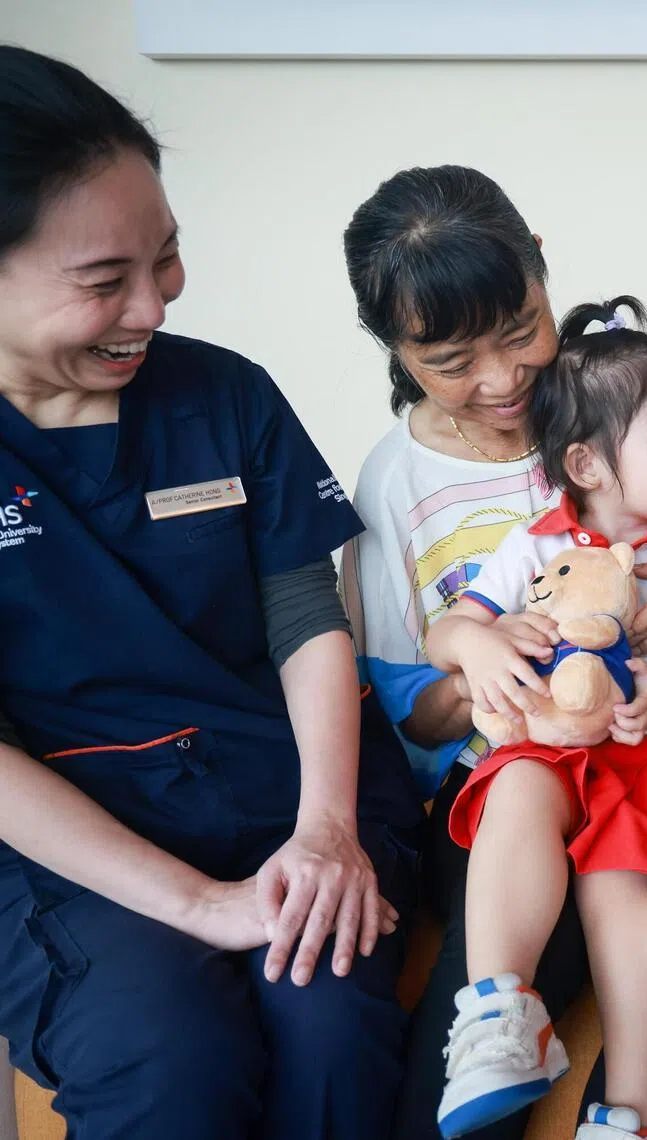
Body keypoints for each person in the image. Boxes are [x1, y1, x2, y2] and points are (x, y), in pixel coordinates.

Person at [0, 46, 423, 1140]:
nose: (154, 304)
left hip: (294, 788)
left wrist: (326, 830)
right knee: (168, 1057)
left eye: (168, 256)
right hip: (73, 841)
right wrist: (200, 905)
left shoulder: (224, 395)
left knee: (331, 1030)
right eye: (105, 281)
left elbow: (306, 613)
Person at [343, 166, 647, 1140]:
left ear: (541, 268)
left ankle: (638, 1119)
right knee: (511, 971)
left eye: (520, 331)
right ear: (397, 350)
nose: (502, 380)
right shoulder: (394, 483)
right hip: (515, 773)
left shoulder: (632, 409)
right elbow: (407, 704)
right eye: (452, 360)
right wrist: (490, 674)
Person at [426, 297, 647, 1140]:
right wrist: (482, 642)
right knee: (514, 787)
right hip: (557, 747)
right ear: (585, 463)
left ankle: (639, 1109)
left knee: (617, 886)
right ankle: (498, 1016)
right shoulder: (534, 547)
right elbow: (446, 633)